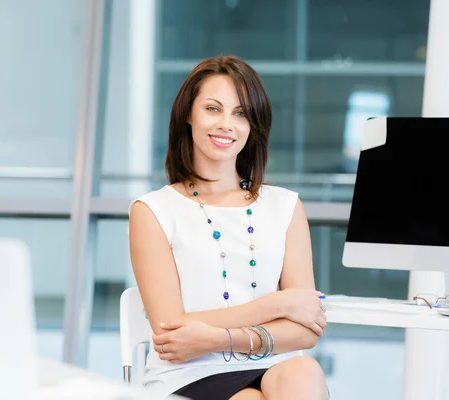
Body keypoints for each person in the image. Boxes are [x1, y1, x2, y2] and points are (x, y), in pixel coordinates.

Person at [128, 55, 329, 400]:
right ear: (188, 115)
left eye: (240, 113)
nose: (227, 124)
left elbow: (306, 330)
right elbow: (171, 334)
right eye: (213, 109)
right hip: (188, 375)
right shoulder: (153, 211)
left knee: (304, 368)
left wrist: (218, 337)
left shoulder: (285, 207)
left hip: (277, 365)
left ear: (253, 126)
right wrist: (280, 304)